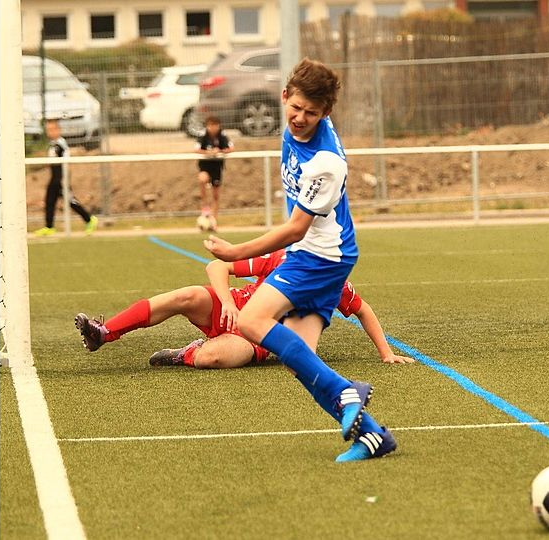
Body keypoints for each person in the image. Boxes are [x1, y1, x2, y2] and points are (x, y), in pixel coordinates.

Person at [203, 58, 394, 463]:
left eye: (312, 113)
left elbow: (294, 230)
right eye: (296, 108)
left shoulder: (327, 162)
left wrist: (233, 252)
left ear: (326, 113)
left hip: (320, 256)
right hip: (319, 253)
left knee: (253, 321)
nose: (301, 119)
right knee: (299, 361)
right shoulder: (291, 124)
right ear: (284, 96)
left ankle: (345, 390)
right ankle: (374, 436)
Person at [74, 249, 415, 369]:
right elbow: (215, 267)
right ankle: (104, 333)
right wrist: (226, 303)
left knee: (215, 357)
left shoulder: (333, 283)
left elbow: (363, 310)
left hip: (258, 339)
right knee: (189, 295)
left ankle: (185, 355)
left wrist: (386, 353)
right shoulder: (280, 257)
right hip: (232, 309)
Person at [34, 119, 98, 236]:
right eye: (48, 130)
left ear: (59, 130)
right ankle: (49, 227)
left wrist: (64, 179)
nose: (50, 132)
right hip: (54, 178)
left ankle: (89, 219)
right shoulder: (52, 144)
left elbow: (65, 161)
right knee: (49, 201)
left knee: (70, 201)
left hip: (61, 178)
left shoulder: (61, 144)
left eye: (53, 129)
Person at [195, 116, 233, 228]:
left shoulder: (222, 136)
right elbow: (196, 149)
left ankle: (213, 221)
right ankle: (205, 206)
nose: (213, 128)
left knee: (216, 195)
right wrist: (209, 152)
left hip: (217, 168)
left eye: (215, 125)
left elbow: (231, 148)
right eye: (210, 125)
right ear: (207, 126)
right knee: (202, 179)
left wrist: (219, 151)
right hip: (205, 167)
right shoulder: (203, 136)